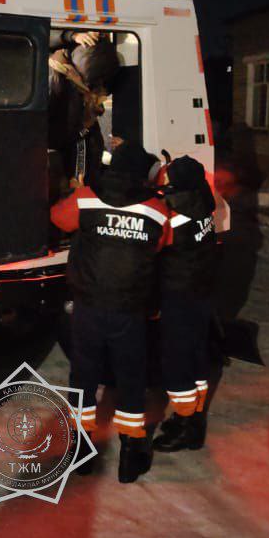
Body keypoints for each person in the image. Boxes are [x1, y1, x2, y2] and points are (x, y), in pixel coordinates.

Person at [50, 141, 170, 483]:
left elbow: (58, 218)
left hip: (88, 307)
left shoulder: (87, 197)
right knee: (132, 379)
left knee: (83, 377)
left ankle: (80, 452)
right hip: (130, 311)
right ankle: (131, 455)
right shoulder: (157, 210)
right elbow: (163, 242)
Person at [152, 156, 220, 453]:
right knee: (196, 356)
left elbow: (153, 248)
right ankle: (194, 419)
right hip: (201, 291)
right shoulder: (202, 203)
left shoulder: (174, 216)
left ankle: (185, 425)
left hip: (178, 294)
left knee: (177, 361)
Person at [48, 31, 120, 193]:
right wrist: (70, 35)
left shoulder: (75, 79)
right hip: (65, 151)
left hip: (78, 145)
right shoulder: (57, 80)